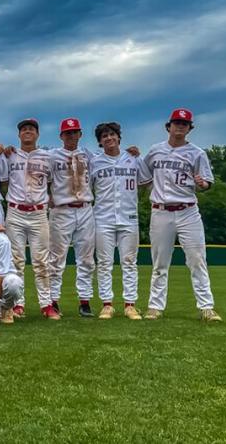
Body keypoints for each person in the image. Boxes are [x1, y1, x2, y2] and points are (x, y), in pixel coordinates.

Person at [142, 108, 221, 322]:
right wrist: (154, 190)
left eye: (184, 124)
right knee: (159, 262)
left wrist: (202, 184)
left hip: (188, 211)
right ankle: (155, 306)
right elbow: (142, 175)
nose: (180, 126)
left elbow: (206, 183)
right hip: (160, 212)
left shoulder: (197, 153)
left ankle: (206, 307)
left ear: (189, 128)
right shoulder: (155, 150)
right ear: (169, 126)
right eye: (176, 122)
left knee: (197, 260)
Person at [91, 122, 149, 320]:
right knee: (105, 263)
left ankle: (130, 304)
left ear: (118, 137)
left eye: (112, 134)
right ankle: (107, 304)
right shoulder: (95, 162)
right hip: (103, 218)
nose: (109, 138)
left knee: (129, 262)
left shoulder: (133, 158)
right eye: (104, 136)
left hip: (129, 217)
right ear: (99, 141)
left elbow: (146, 182)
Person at [4, 118, 56, 319]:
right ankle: (18, 304)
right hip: (15, 211)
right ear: (19, 135)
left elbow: (52, 183)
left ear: (37, 134)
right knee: (16, 260)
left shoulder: (47, 156)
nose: (27, 132)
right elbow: (2, 181)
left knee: (41, 261)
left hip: (38, 212)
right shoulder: (10, 155)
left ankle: (46, 304)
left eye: (31, 129)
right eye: (24, 129)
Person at [48, 118, 98, 318]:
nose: (71, 135)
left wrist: (130, 153)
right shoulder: (52, 156)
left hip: (85, 208)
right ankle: (53, 300)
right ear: (61, 136)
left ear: (80, 134)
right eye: (67, 133)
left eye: (74, 132)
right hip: (62, 209)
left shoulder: (88, 155)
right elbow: (39, 175)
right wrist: (47, 196)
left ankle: (84, 301)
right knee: (56, 258)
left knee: (86, 259)